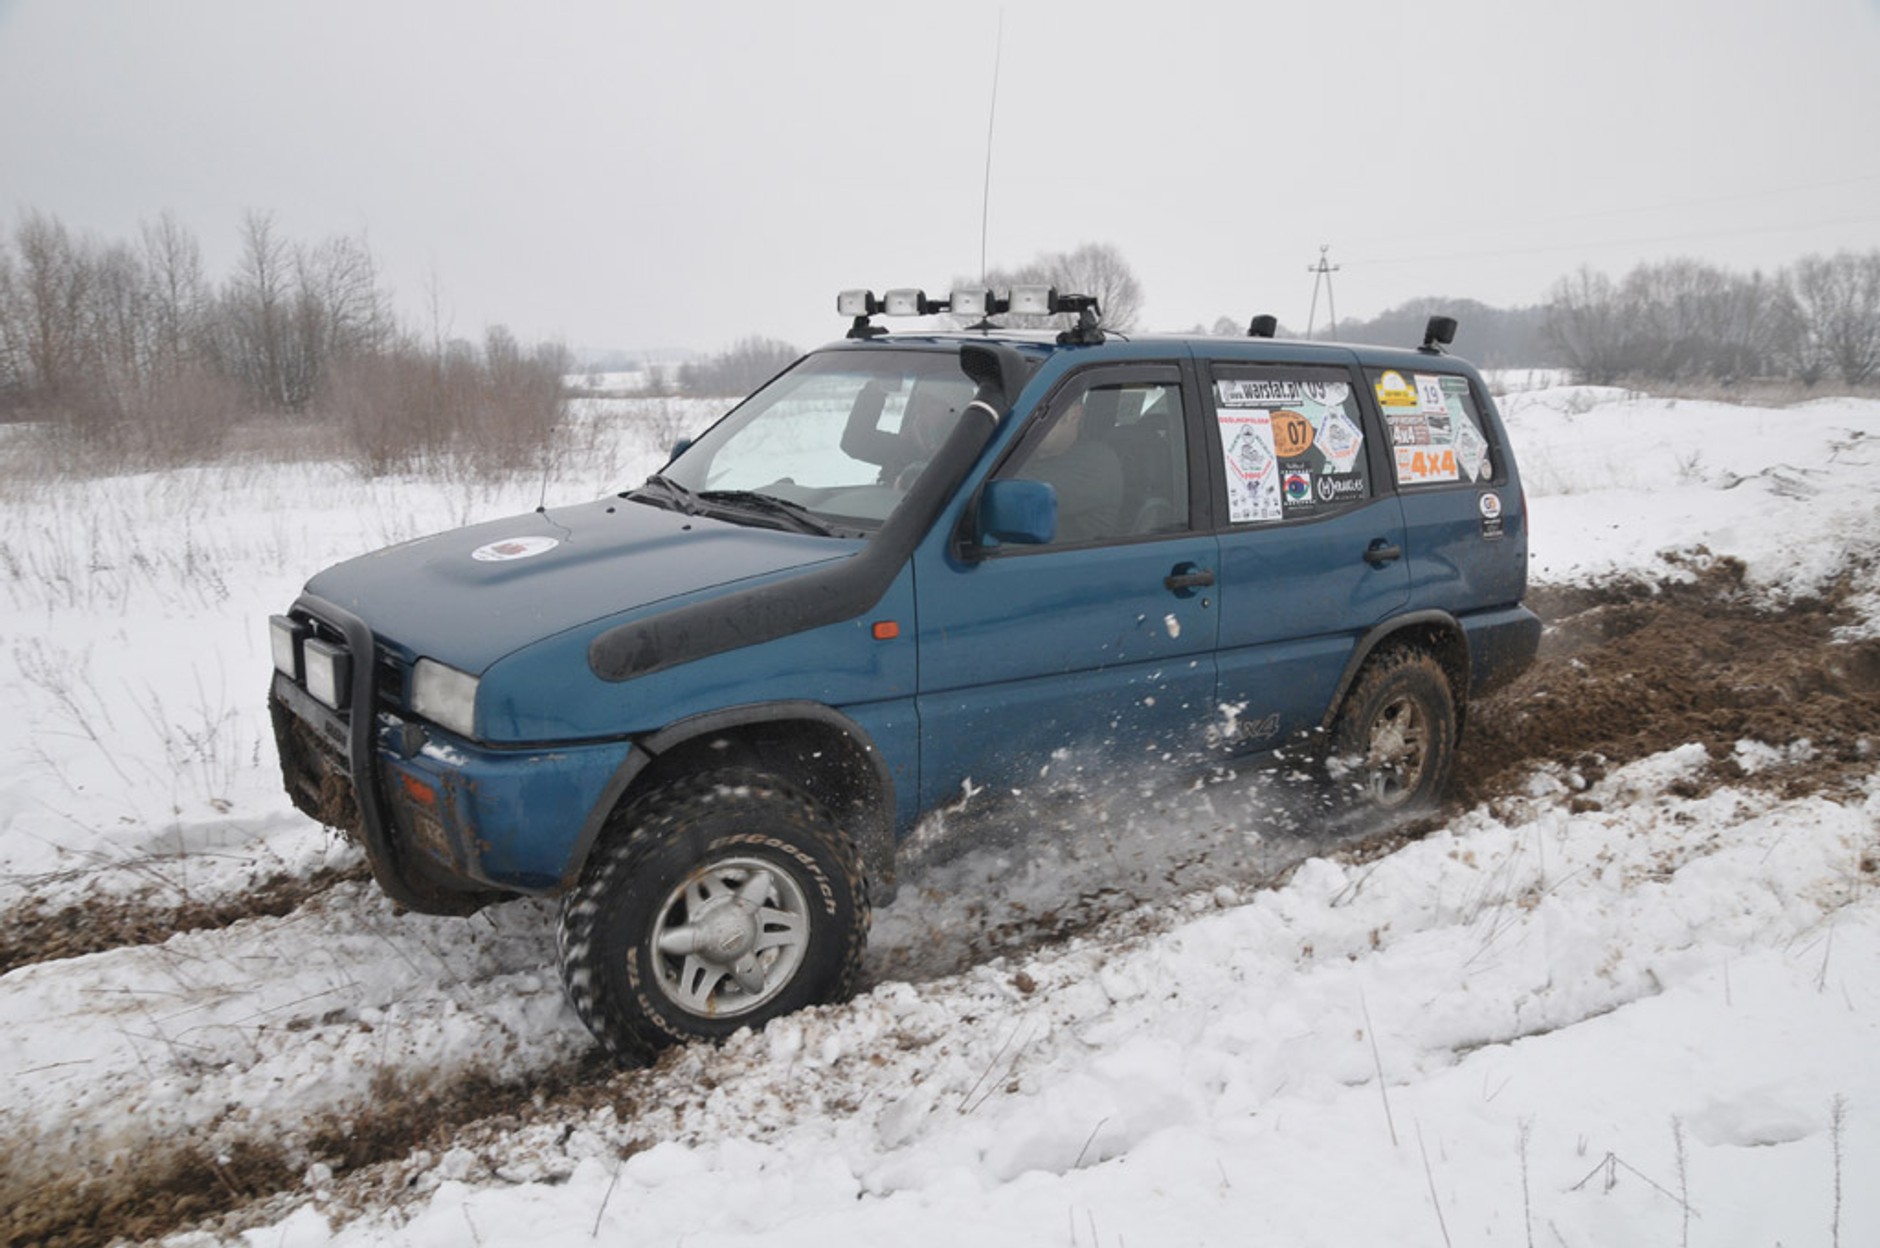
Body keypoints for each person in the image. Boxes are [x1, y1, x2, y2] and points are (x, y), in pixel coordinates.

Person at [1016, 395, 1123, 544]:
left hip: (1068, 561)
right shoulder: (1024, 454)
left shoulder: (1096, 462)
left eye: (1040, 411)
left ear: (1074, 414)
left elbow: (1021, 498)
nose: (1028, 420)